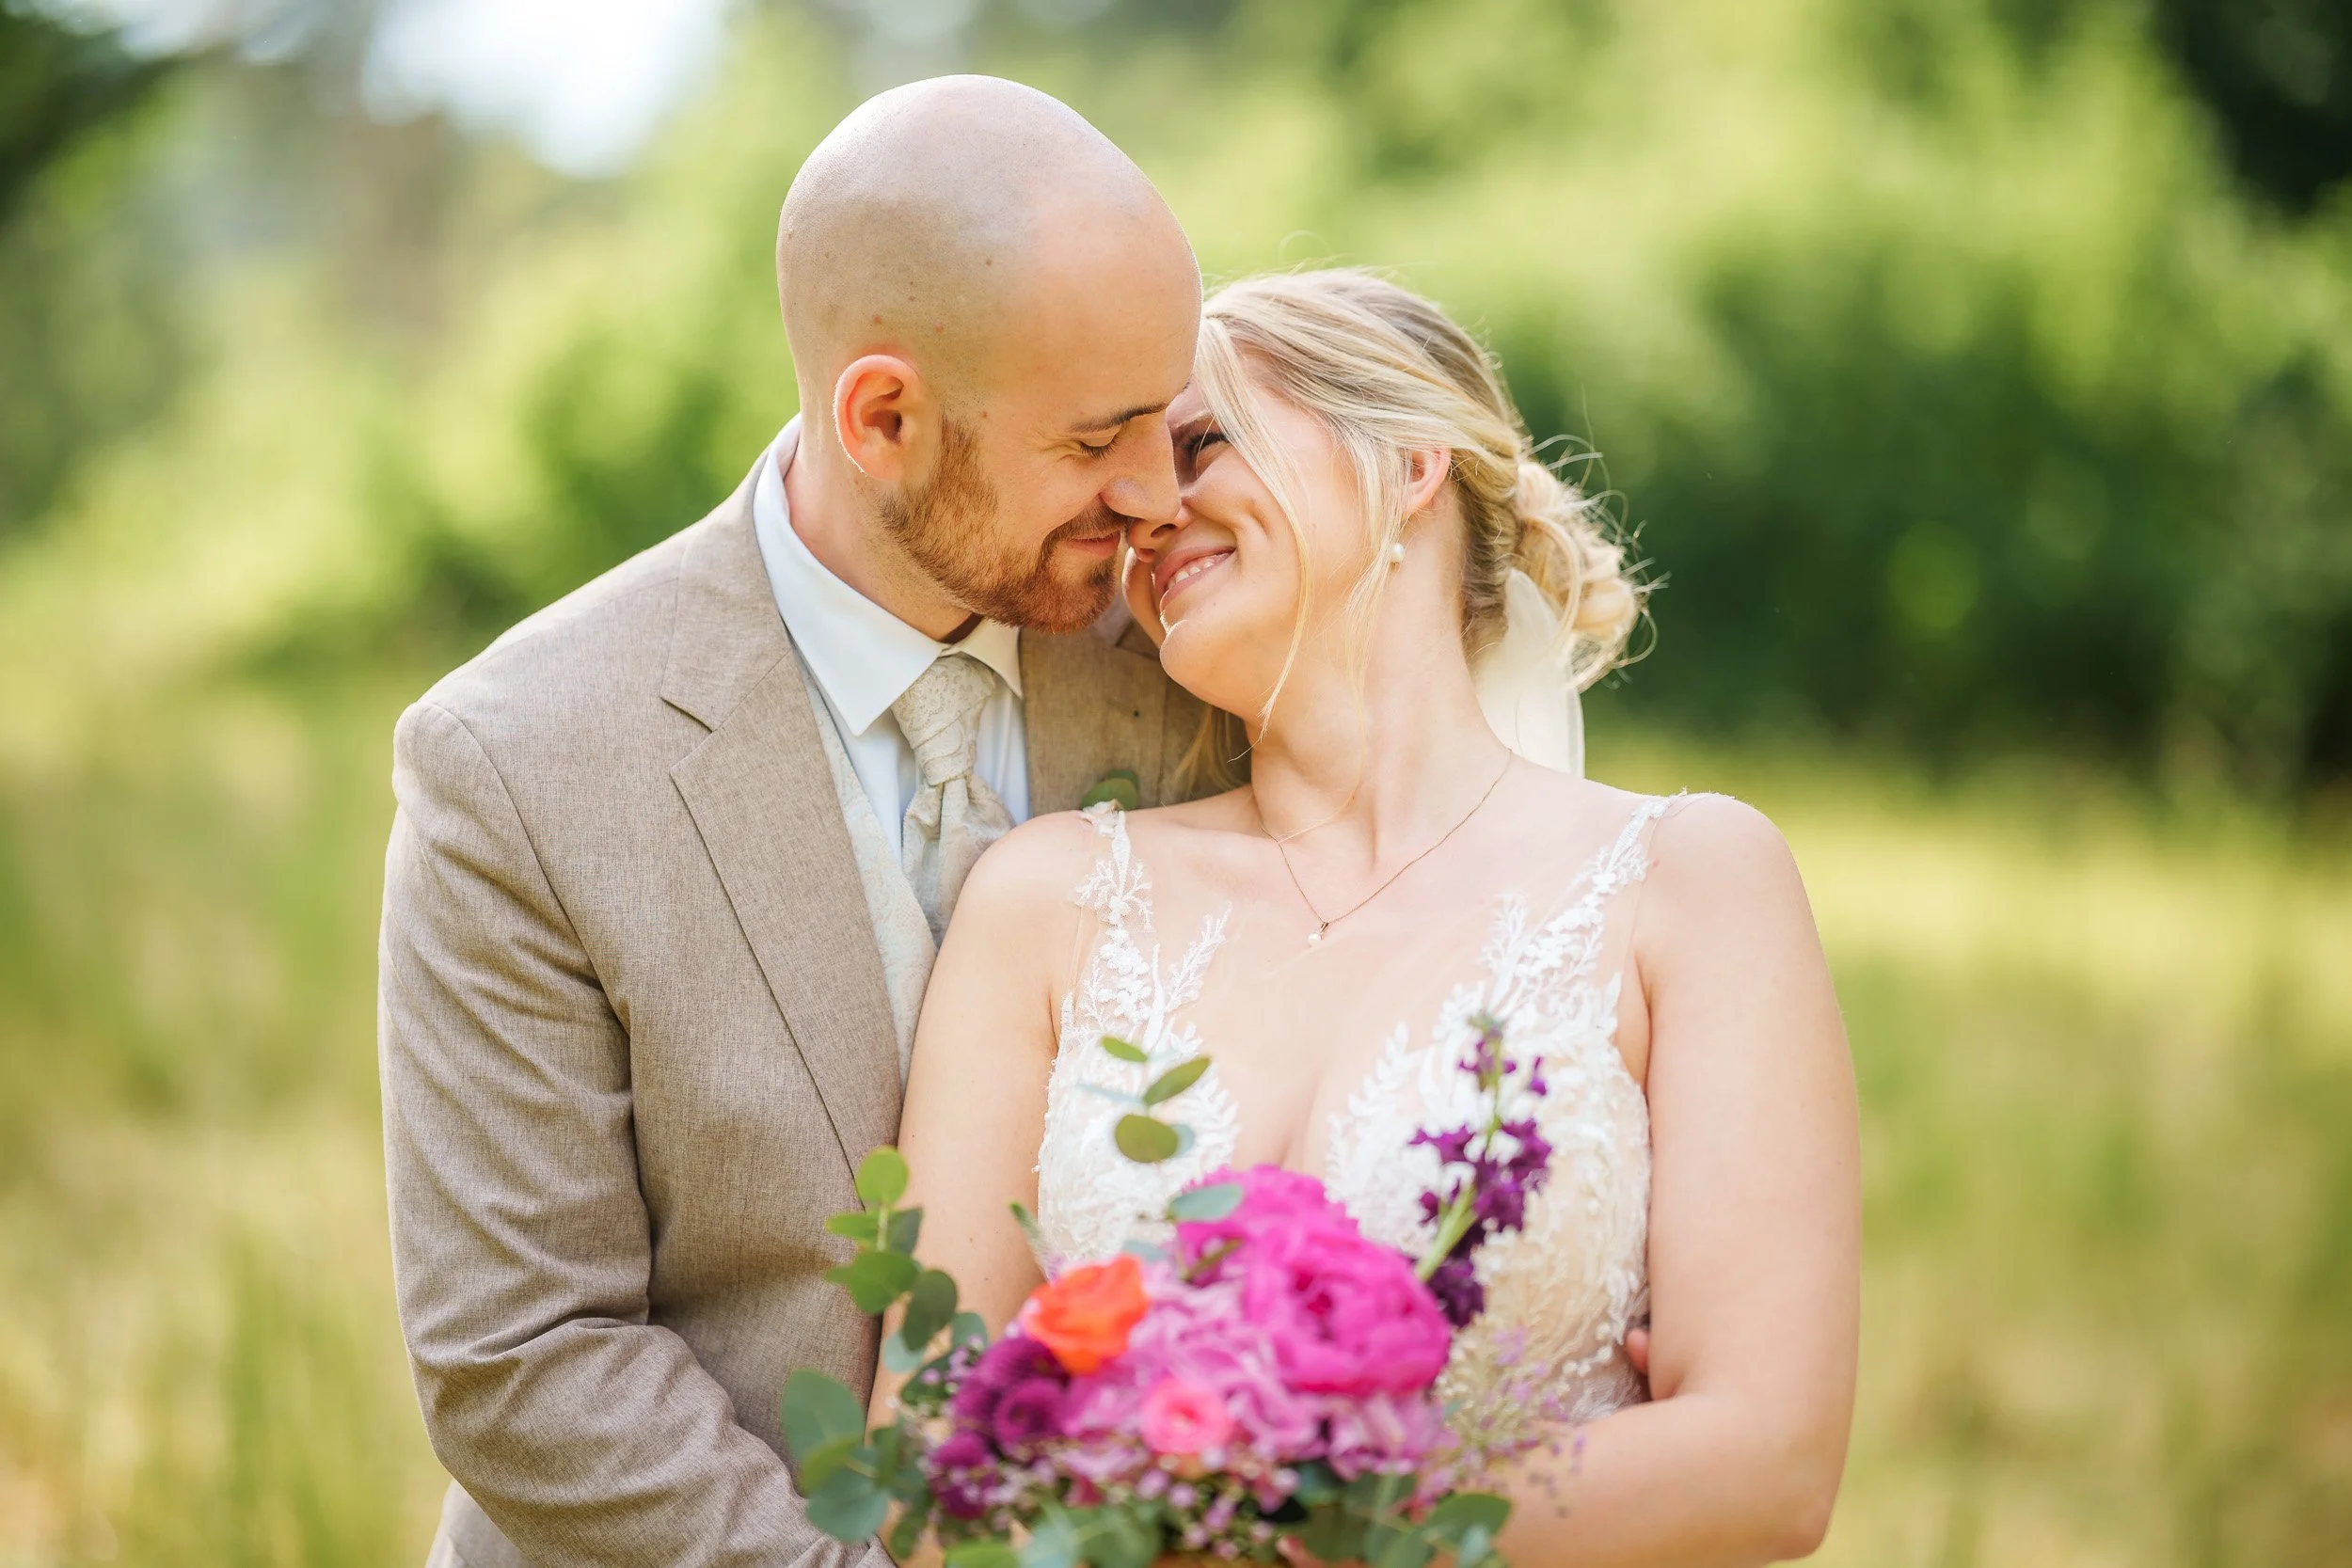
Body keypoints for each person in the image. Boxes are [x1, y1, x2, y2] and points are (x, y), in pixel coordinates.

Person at [891, 270, 1863, 1564]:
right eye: (1127, 475)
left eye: (1201, 443)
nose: (1148, 512)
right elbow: (923, 1458)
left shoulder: (1687, 882)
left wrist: (1316, 1536)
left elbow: (1769, 1459)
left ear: (1410, 463)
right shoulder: (1047, 900)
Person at [376, 77, 1209, 1568]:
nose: (1154, 495)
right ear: (883, 418)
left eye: (1169, 417)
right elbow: (524, 1357)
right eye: (1097, 442)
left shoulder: (1194, 667)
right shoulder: (514, 762)